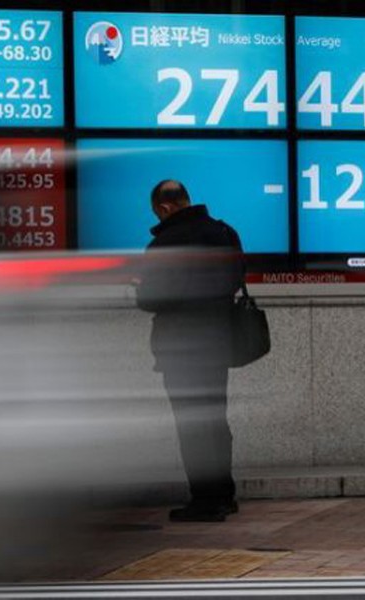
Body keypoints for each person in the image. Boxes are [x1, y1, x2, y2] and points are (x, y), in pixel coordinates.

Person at [135, 180, 245, 522]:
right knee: (215, 419)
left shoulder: (163, 245)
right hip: (218, 341)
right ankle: (224, 495)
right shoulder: (225, 232)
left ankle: (204, 502)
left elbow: (151, 299)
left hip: (181, 347)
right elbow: (236, 278)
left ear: (165, 208)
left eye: (156, 211)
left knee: (191, 424)